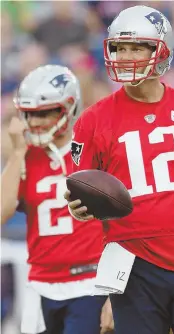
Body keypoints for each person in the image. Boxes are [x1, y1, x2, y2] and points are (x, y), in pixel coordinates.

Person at [65, 6, 174, 334]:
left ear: (162, 50)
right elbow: (83, 200)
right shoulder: (93, 120)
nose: (125, 56)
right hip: (132, 265)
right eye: (119, 47)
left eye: (136, 47)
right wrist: (108, 289)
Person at [1, 64, 113, 334]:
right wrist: (16, 155)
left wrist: (115, 289)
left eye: (44, 113)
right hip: (39, 284)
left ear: (69, 107)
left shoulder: (96, 149)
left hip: (88, 281)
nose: (35, 122)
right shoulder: (25, 156)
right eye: (29, 114)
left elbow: (124, 226)